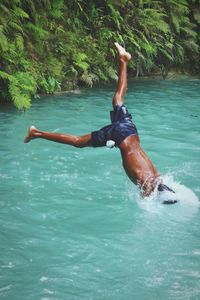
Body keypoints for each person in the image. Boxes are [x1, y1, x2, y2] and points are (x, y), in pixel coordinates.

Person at [24, 43, 177, 204]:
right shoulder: (149, 184)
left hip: (130, 130)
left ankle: (124, 60)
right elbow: (146, 201)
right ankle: (37, 133)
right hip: (119, 135)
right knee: (78, 142)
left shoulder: (158, 177)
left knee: (118, 98)